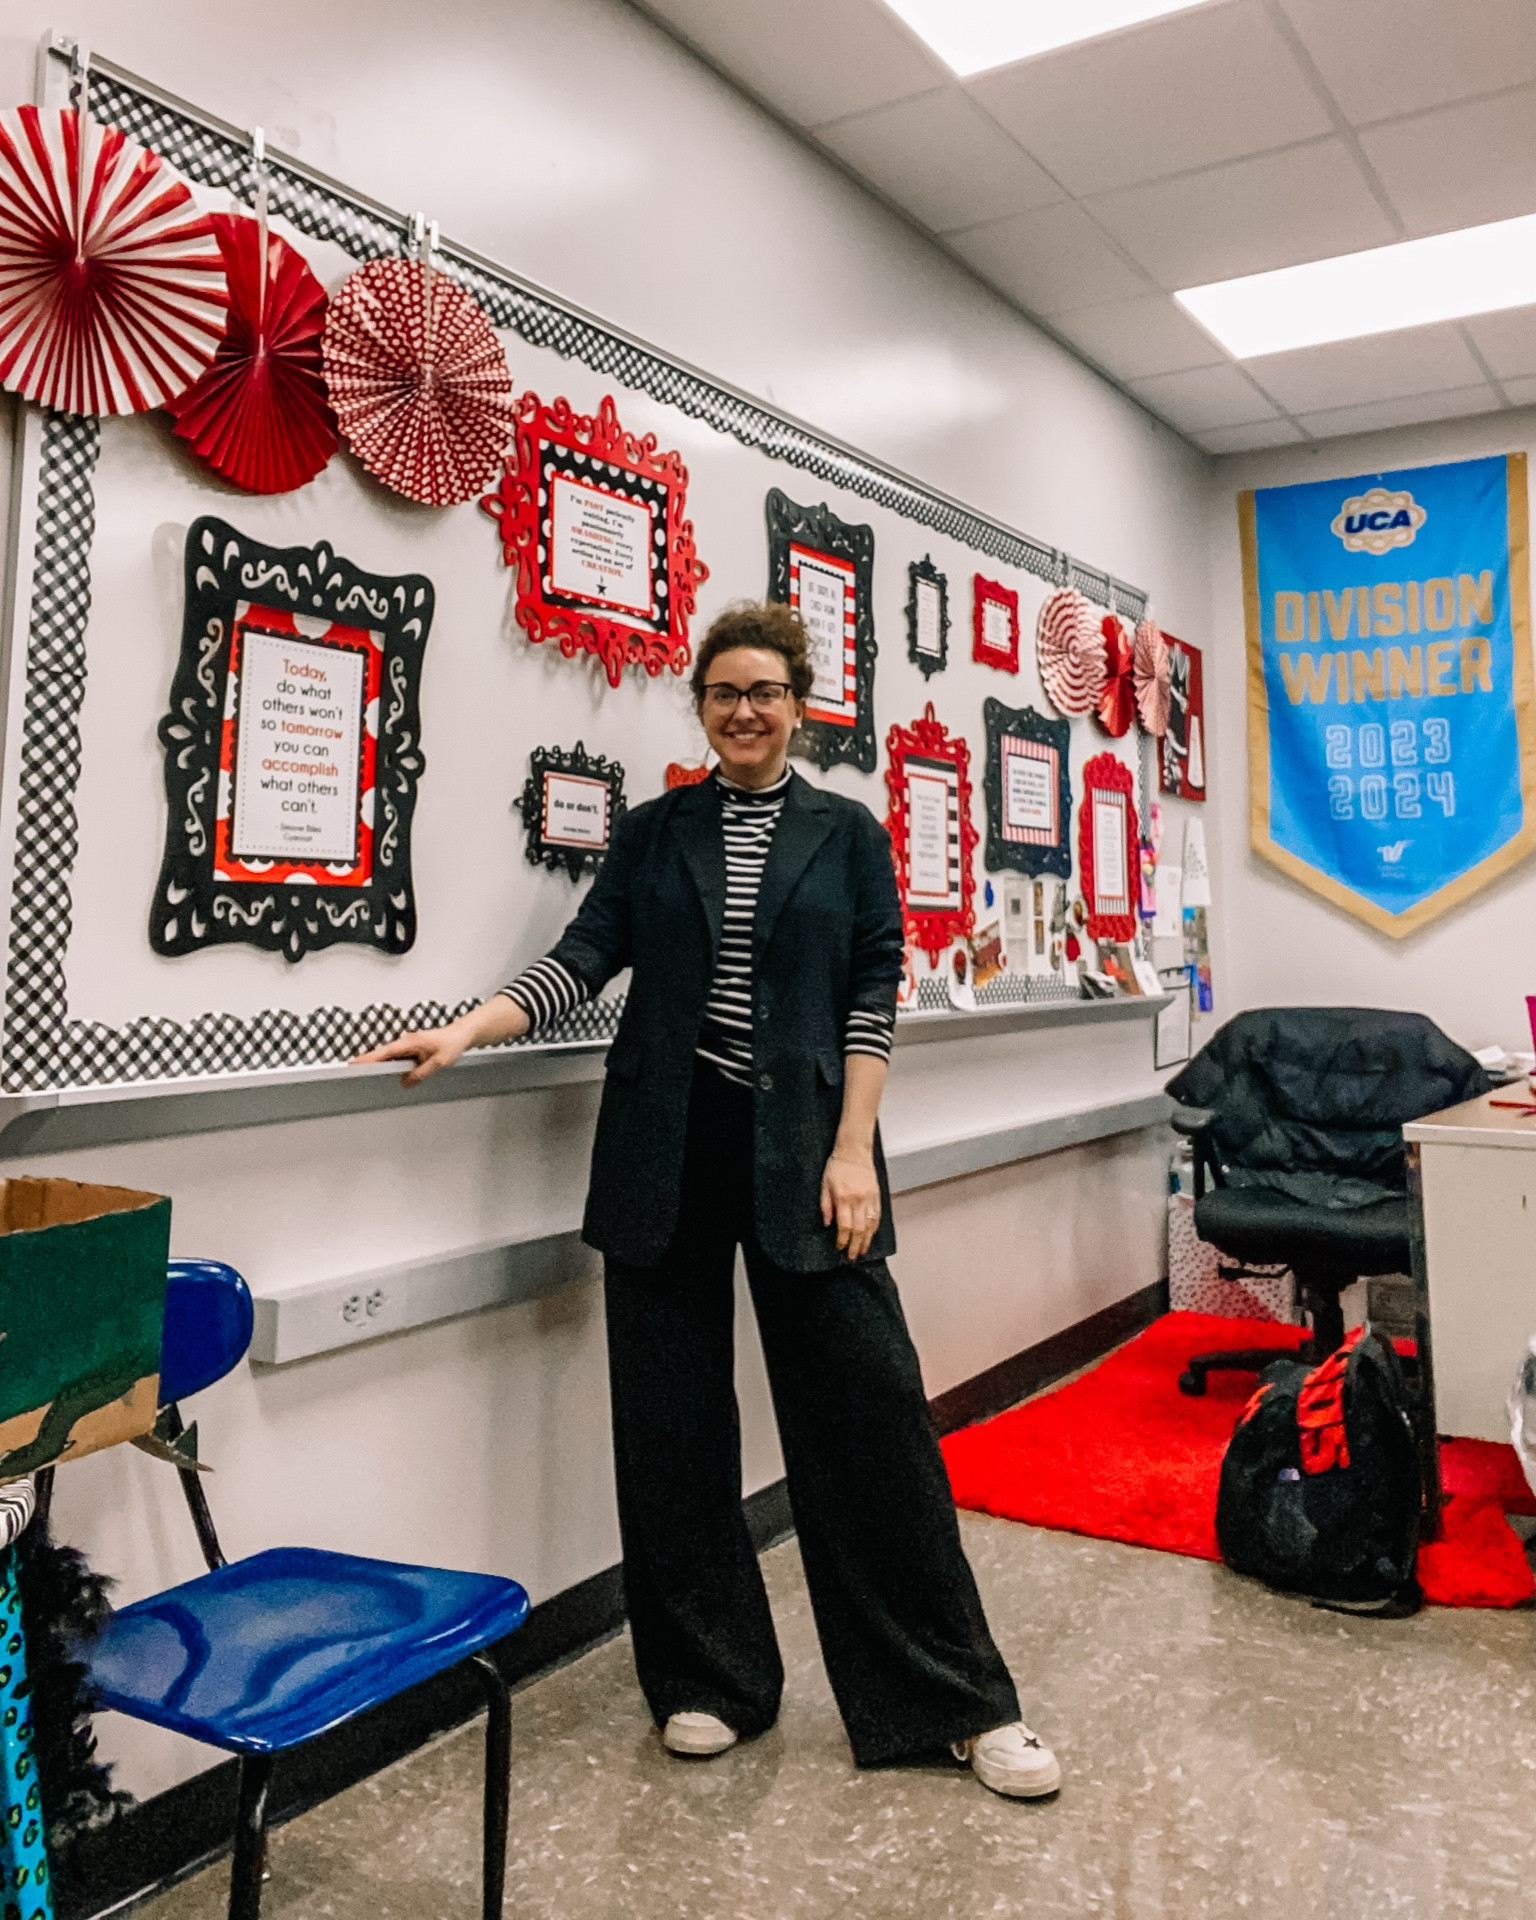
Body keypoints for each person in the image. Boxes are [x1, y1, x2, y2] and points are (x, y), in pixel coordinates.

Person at [356, 602, 1059, 1799]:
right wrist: (472, 1027)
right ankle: (707, 1680)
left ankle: (951, 1701)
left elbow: (872, 994)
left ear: (800, 706)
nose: (744, 711)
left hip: (810, 1155)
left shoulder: (848, 835)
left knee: (870, 1424)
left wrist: (853, 1150)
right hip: (664, 1151)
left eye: (766, 692)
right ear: (701, 705)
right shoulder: (654, 832)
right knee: (672, 1427)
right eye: (723, 692)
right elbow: (584, 960)